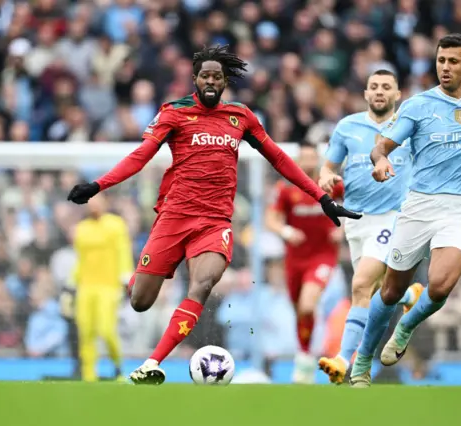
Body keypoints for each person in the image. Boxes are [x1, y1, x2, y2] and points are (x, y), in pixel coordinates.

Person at [66, 45, 361, 385]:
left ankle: (150, 364)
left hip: (215, 222)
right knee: (140, 301)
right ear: (195, 79)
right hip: (174, 218)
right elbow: (142, 155)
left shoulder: (241, 116)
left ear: (224, 82)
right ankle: (142, 277)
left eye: (217, 77)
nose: (211, 81)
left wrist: (320, 197)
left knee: (202, 284)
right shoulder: (173, 113)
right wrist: (98, 186)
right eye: (205, 75)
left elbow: (279, 158)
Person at [350, 34, 461, 387]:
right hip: (420, 204)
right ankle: (363, 362)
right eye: (440, 61)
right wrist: (381, 160)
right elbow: (382, 145)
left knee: (440, 285)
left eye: (452, 61)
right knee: (389, 292)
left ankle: (405, 327)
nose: (444, 67)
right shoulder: (419, 105)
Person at [316, 70, 424, 384]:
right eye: (374, 87)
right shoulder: (347, 127)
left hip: (394, 217)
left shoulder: (407, 129)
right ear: (365, 93)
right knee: (374, 291)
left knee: (361, 286)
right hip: (356, 221)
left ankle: (343, 360)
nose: (379, 91)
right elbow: (328, 167)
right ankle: (408, 296)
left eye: (386, 87)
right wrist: (326, 178)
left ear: (397, 94)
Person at [266, 144, 344, 384]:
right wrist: (287, 232)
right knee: (299, 310)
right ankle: (305, 357)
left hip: (322, 257)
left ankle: (305, 359)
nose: (309, 162)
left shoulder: (333, 186)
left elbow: (355, 207)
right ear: (298, 160)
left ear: (318, 161)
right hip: (295, 259)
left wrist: (344, 229)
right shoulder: (286, 189)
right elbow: (271, 219)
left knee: (307, 305)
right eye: (305, 158)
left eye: (313, 158)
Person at [71, 193, 132, 382]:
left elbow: (123, 252)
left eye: (97, 199)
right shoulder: (81, 229)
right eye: (90, 200)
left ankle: (118, 366)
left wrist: (126, 279)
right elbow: (80, 260)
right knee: (86, 331)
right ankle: (89, 376)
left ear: (105, 202)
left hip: (109, 286)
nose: (93, 204)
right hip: (86, 287)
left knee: (106, 330)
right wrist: (71, 284)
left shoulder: (116, 225)